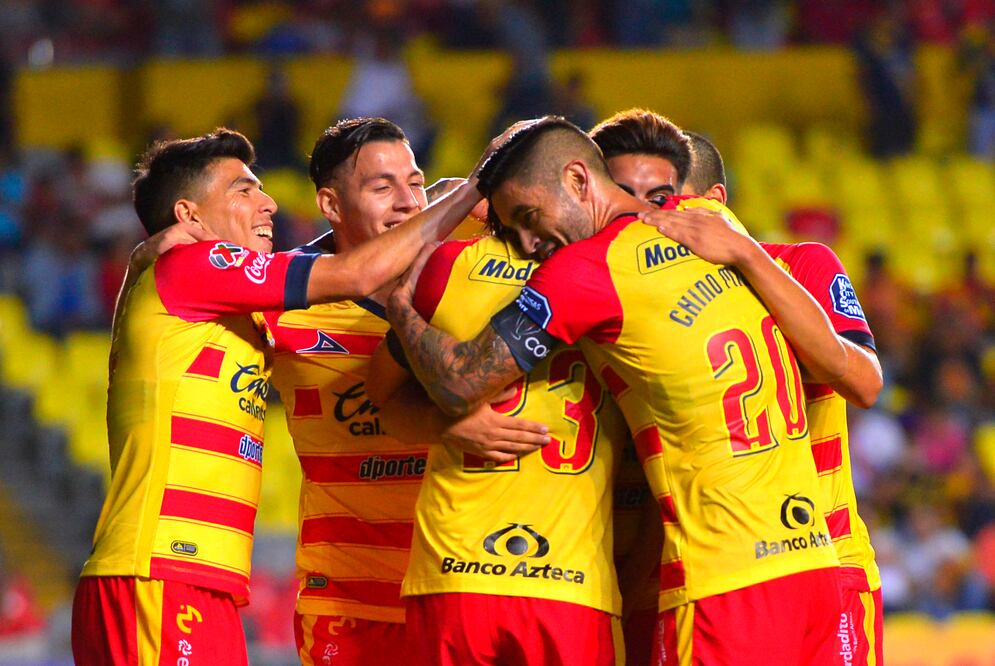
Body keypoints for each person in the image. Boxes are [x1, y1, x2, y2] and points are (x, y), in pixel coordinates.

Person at [387, 117, 845, 665]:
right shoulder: (710, 221)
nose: (530, 245)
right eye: (515, 230)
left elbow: (461, 382)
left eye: (530, 218)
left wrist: (400, 308)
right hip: (815, 560)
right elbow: (858, 378)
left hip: (720, 575)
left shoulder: (583, 271)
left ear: (580, 180)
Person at [70, 127, 501, 665]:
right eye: (243, 191)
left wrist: (447, 193)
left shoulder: (230, 303)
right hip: (161, 568)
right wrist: (474, 185)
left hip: (200, 577)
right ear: (190, 216)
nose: (268, 202)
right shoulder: (193, 269)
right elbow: (353, 270)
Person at [260, 117, 548, 665]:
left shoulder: (466, 279)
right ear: (330, 203)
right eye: (381, 187)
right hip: (350, 601)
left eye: (414, 182)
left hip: (464, 586)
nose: (407, 201)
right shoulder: (282, 299)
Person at [365, 137, 635, 663]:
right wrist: (444, 427)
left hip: (558, 580)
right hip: (471, 571)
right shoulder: (450, 267)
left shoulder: (627, 268)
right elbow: (382, 395)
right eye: (520, 218)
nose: (532, 240)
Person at [675, 130, 885, 665]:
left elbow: (864, 382)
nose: (654, 220)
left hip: (825, 556)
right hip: (712, 572)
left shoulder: (802, 263)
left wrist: (746, 258)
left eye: (667, 200)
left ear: (714, 202)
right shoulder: (632, 296)